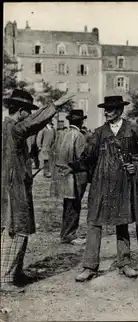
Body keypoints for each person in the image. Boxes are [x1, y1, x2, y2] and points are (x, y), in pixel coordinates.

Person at [57, 96, 138, 282]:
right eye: (105, 109)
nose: (106, 112)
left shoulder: (133, 130)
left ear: (119, 111)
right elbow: (89, 158)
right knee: (94, 223)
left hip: (123, 184)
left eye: (110, 109)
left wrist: (136, 164)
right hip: (100, 184)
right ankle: (89, 267)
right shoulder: (98, 133)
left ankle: (124, 263)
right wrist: (73, 166)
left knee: (123, 222)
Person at [1, 89, 74, 293]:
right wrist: (56, 104)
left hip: (15, 184)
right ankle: (5, 279)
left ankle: (16, 273)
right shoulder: (13, 127)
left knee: (18, 227)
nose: (29, 116)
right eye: (28, 112)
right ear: (22, 111)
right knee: (16, 230)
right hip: (13, 188)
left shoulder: (8, 127)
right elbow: (34, 123)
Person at [52, 110, 89, 246]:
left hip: (63, 173)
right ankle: (70, 234)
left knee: (68, 205)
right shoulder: (79, 135)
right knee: (74, 205)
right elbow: (81, 158)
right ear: (81, 121)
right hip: (75, 174)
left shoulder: (62, 133)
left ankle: (65, 233)